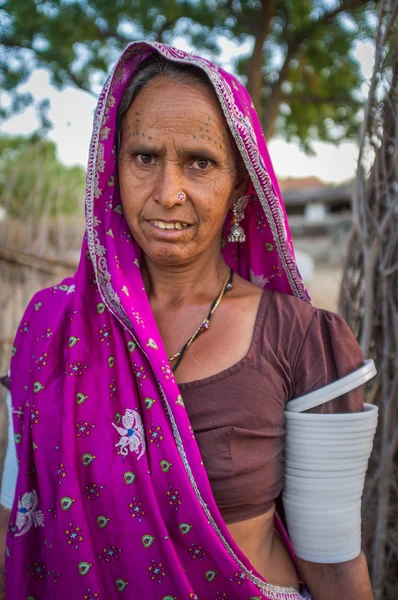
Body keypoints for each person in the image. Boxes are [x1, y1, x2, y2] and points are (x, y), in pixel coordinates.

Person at [0, 42, 373, 599]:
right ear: (113, 168)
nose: (167, 193)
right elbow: (16, 514)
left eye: (200, 162)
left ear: (240, 186)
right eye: (144, 157)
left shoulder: (301, 338)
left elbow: (335, 564)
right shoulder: (53, 327)